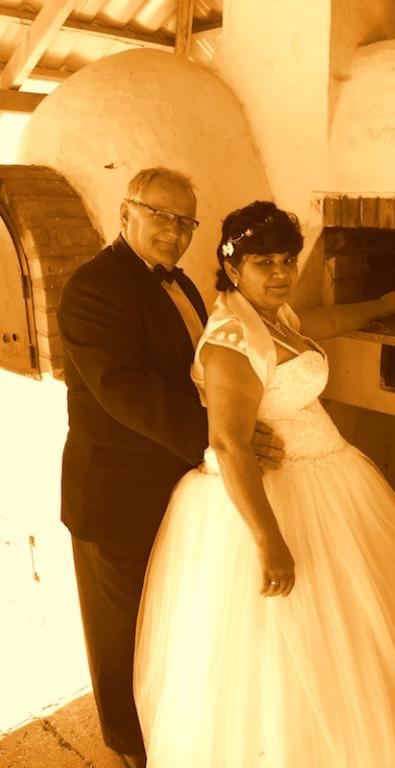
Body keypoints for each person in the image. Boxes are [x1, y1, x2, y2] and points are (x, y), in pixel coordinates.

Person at [134, 200, 395, 767]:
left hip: (329, 482)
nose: (280, 274)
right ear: (232, 267)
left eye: (287, 261)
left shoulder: (271, 317)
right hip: (273, 501)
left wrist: (379, 305)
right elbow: (229, 445)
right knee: (280, 651)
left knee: (351, 634)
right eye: (263, 263)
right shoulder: (230, 339)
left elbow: (321, 323)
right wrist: (270, 541)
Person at [57, 168, 273, 768]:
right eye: (161, 215)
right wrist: (222, 437)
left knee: (167, 620)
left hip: (176, 485)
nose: (174, 232)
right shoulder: (93, 287)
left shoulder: (185, 286)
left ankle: (167, 735)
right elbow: (123, 390)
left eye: (185, 221)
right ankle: (128, 746)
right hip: (116, 494)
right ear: (126, 211)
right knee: (121, 632)